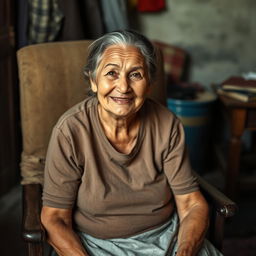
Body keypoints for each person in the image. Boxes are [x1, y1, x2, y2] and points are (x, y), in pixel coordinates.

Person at [41, 30, 222, 256]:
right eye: (111, 73)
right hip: (95, 245)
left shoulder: (167, 124)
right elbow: (55, 218)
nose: (124, 87)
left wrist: (184, 251)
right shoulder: (70, 131)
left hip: (166, 237)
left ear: (148, 83)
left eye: (135, 75)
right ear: (94, 81)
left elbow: (191, 204)